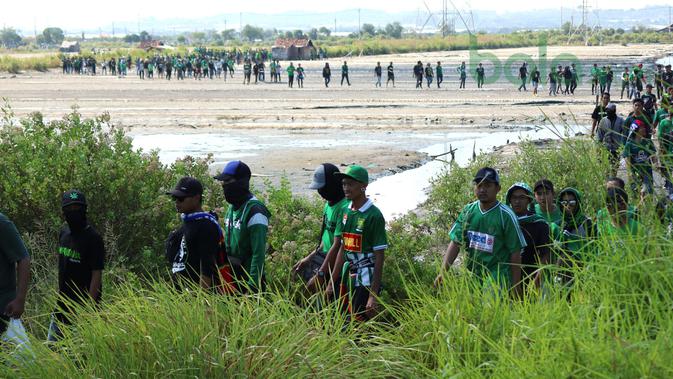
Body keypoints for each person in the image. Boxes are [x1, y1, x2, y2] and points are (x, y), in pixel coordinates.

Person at [434, 167, 526, 296]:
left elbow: (515, 252)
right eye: (479, 185)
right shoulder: (468, 211)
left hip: (497, 273)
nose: (482, 189)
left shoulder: (506, 215)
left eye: (488, 185)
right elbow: (455, 242)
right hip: (474, 272)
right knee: (471, 309)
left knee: (489, 309)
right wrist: (443, 272)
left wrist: (516, 287)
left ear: (498, 188)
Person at [325, 165, 387, 321]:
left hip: (366, 277)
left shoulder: (374, 215)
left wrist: (373, 295)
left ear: (363, 186)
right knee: (341, 318)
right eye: (344, 184)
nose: (346, 188)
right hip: (348, 275)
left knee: (359, 322)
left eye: (350, 184)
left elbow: (379, 257)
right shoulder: (344, 211)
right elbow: (342, 248)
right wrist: (332, 282)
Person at [48, 190, 104, 342]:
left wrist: (89, 309)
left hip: (83, 309)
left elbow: (96, 274)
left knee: (79, 358)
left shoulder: (93, 238)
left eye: (77, 208)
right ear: (63, 213)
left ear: (84, 209)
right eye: (69, 209)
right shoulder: (64, 232)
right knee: (52, 351)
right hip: (61, 306)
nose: (73, 212)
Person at [216, 161, 271, 293]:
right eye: (222, 182)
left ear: (241, 182)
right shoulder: (232, 207)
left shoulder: (255, 212)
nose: (224, 185)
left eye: (228, 181)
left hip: (248, 280)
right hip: (232, 277)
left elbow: (258, 254)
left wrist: (252, 287)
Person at [293, 164, 348, 293]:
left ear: (333, 185)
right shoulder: (328, 205)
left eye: (323, 188)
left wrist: (321, 275)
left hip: (337, 264)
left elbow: (338, 246)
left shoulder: (344, 208)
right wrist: (308, 258)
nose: (320, 192)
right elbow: (325, 239)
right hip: (324, 256)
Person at [164, 177, 219, 293]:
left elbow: (207, 267)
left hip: (194, 296)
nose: (177, 202)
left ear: (196, 198)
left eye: (181, 198)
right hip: (180, 294)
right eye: (175, 198)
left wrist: (202, 301)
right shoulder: (188, 222)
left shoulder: (206, 225)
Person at [505, 183, 550, 290]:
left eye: (522, 198)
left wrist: (537, 280)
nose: (517, 201)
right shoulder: (504, 221)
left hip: (530, 277)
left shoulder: (539, 224)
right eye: (514, 198)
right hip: (505, 276)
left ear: (529, 200)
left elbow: (545, 255)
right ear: (509, 200)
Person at [555, 187, 595, 286]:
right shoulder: (557, 225)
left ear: (578, 203)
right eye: (564, 203)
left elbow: (595, 248)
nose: (568, 206)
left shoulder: (587, 224)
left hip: (583, 272)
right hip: (561, 272)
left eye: (572, 203)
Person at [0, 211, 30, 340]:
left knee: (11, 356)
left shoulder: (2, 223)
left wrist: (20, 299)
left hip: (3, 306)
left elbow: (23, 258)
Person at [623, 119, 657, 194]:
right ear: (636, 130)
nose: (644, 129)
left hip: (647, 173)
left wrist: (656, 164)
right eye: (642, 127)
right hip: (635, 173)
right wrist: (630, 173)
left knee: (648, 193)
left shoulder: (648, 142)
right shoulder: (630, 144)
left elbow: (653, 155)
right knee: (636, 193)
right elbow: (627, 160)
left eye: (644, 127)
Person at [595, 102, 626, 174]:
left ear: (614, 111)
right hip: (606, 147)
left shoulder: (621, 120)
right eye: (607, 111)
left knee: (614, 168)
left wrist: (623, 147)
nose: (607, 113)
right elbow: (599, 135)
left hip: (616, 148)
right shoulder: (603, 120)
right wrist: (598, 149)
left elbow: (625, 134)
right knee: (606, 168)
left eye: (609, 111)